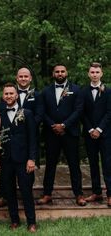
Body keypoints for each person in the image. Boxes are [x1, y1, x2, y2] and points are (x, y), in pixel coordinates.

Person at [37, 64, 86, 206]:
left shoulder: (76, 90)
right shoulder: (45, 91)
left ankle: (79, 194)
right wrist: (54, 125)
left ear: (66, 73)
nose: (60, 73)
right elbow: (42, 112)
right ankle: (47, 194)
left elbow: (78, 111)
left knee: (74, 164)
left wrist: (64, 125)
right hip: (51, 133)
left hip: (70, 132)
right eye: (57, 71)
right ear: (53, 73)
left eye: (62, 71)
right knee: (50, 164)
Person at [0, 67, 43, 208]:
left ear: (30, 78)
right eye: (20, 76)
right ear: (17, 78)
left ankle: (26, 196)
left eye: (25, 76)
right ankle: (4, 196)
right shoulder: (7, 96)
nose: (23, 78)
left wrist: (28, 126)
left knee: (26, 174)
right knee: (6, 174)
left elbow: (40, 113)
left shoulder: (37, 95)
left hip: (27, 136)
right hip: (8, 143)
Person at [0, 83, 37, 232]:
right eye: (6, 94)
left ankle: (31, 222)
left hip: (23, 159)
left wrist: (32, 158)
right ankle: (14, 220)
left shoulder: (26, 113)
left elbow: (33, 137)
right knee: (9, 191)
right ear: (3, 96)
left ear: (16, 95)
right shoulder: (0, 114)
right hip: (6, 159)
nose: (9, 96)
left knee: (26, 191)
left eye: (11, 93)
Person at [81, 62, 111, 207]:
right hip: (89, 134)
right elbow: (82, 113)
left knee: (107, 163)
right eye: (92, 72)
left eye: (97, 72)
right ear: (88, 74)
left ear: (101, 74)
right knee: (93, 163)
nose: (94, 74)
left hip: (105, 134)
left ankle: (110, 194)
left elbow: (109, 113)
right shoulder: (83, 91)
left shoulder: (108, 91)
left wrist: (99, 129)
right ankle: (96, 192)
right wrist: (90, 129)